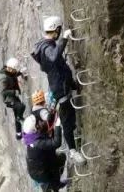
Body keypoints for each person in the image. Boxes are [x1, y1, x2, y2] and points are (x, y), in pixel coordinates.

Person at [31, 16, 85, 164]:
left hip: (61, 84)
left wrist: (73, 84)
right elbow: (55, 58)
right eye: (59, 30)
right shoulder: (48, 47)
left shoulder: (44, 44)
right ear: (57, 30)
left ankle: (72, 139)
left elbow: (59, 68)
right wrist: (65, 40)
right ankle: (73, 151)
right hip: (60, 89)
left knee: (69, 118)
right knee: (67, 121)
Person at [26, 107, 67, 191]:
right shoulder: (37, 143)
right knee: (58, 162)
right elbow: (56, 143)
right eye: (38, 123)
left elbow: (38, 117)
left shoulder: (31, 137)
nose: (40, 122)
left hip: (39, 168)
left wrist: (50, 115)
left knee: (56, 160)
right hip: (41, 172)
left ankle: (54, 184)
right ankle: (53, 185)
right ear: (35, 128)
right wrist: (58, 125)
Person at [0, 56, 27, 139]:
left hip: (14, 97)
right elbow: (2, 92)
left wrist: (21, 73)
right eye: (15, 70)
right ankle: (19, 118)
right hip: (8, 99)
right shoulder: (3, 78)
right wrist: (14, 92)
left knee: (17, 114)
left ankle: (18, 134)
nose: (15, 71)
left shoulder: (10, 72)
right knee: (21, 106)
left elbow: (14, 74)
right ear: (11, 68)